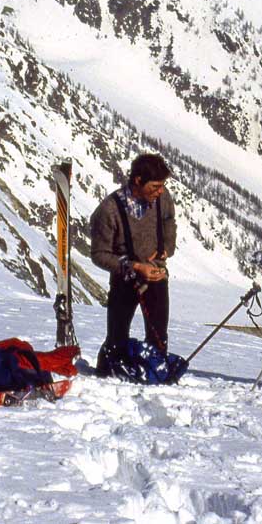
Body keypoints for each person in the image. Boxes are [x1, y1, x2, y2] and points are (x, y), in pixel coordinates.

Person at [90, 153, 177, 374]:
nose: (160, 191)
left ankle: (155, 376)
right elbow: (99, 254)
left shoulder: (161, 199)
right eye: (155, 186)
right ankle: (107, 375)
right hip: (124, 280)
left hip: (156, 277)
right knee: (117, 337)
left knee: (159, 338)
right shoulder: (109, 210)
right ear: (138, 181)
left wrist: (166, 247)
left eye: (162, 186)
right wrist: (136, 267)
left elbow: (168, 220)